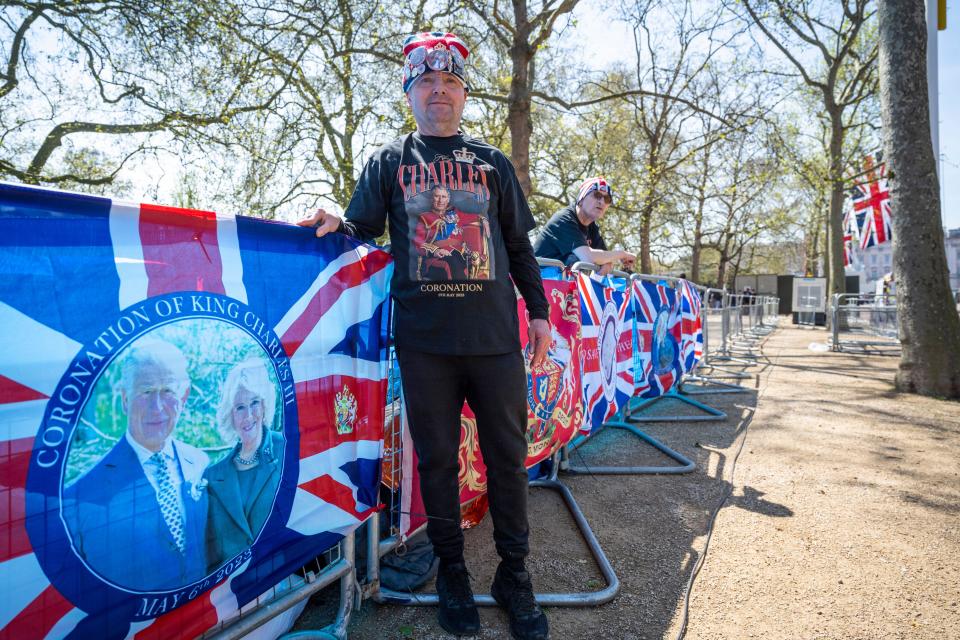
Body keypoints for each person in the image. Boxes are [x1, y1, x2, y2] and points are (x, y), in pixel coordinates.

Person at [298, 31, 551, 640]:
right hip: (425, 343)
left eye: (450, 83)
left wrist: (538, 311)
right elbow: (360, 228)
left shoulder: (492, 164)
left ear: (463, 95)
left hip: (495, 341)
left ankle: (514, 576)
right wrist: (336, 219)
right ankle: (454, 575)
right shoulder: (390, 162)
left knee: (508, 463)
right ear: (411, 93)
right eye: (427, 83)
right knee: (436, 463)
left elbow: (518, 245)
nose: (439, 91)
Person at [62, 339, 209, 591]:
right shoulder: (82, 496)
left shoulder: (200, 462)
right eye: (146, 391)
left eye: (168, 391)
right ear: (125, 399)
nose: (158, 407)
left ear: (183, 397)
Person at [205, 359, 284, 572]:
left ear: (265, 404)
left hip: (285, 582)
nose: (248, 415)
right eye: (240, 407)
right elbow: (211, 550)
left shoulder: (285, 449)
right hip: (231, 592)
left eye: (254, 403)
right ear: (230, 414)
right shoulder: (212, 477)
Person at [533, 176, 635, 275]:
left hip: (560, 284)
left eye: (607, 199)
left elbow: (603, 256)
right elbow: (588, 257)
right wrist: (622, 254)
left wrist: (607, 262)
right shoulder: (564, 219)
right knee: (578, 261)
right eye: (597, 195)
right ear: (581, 199)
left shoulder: (592, 227)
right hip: (538, 280)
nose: (602, 202)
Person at [414, 184, 491, 280]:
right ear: (431, 199)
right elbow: (418, 243)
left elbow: (471, 217)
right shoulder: (424, 218)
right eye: (437, 196)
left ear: (448, 200)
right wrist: (435, 251)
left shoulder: (455, 214)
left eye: (443, 197)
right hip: (435, 258)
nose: (440, 200)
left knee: (467, 260)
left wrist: (483, 219)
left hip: (459, 255)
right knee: (454, 260)